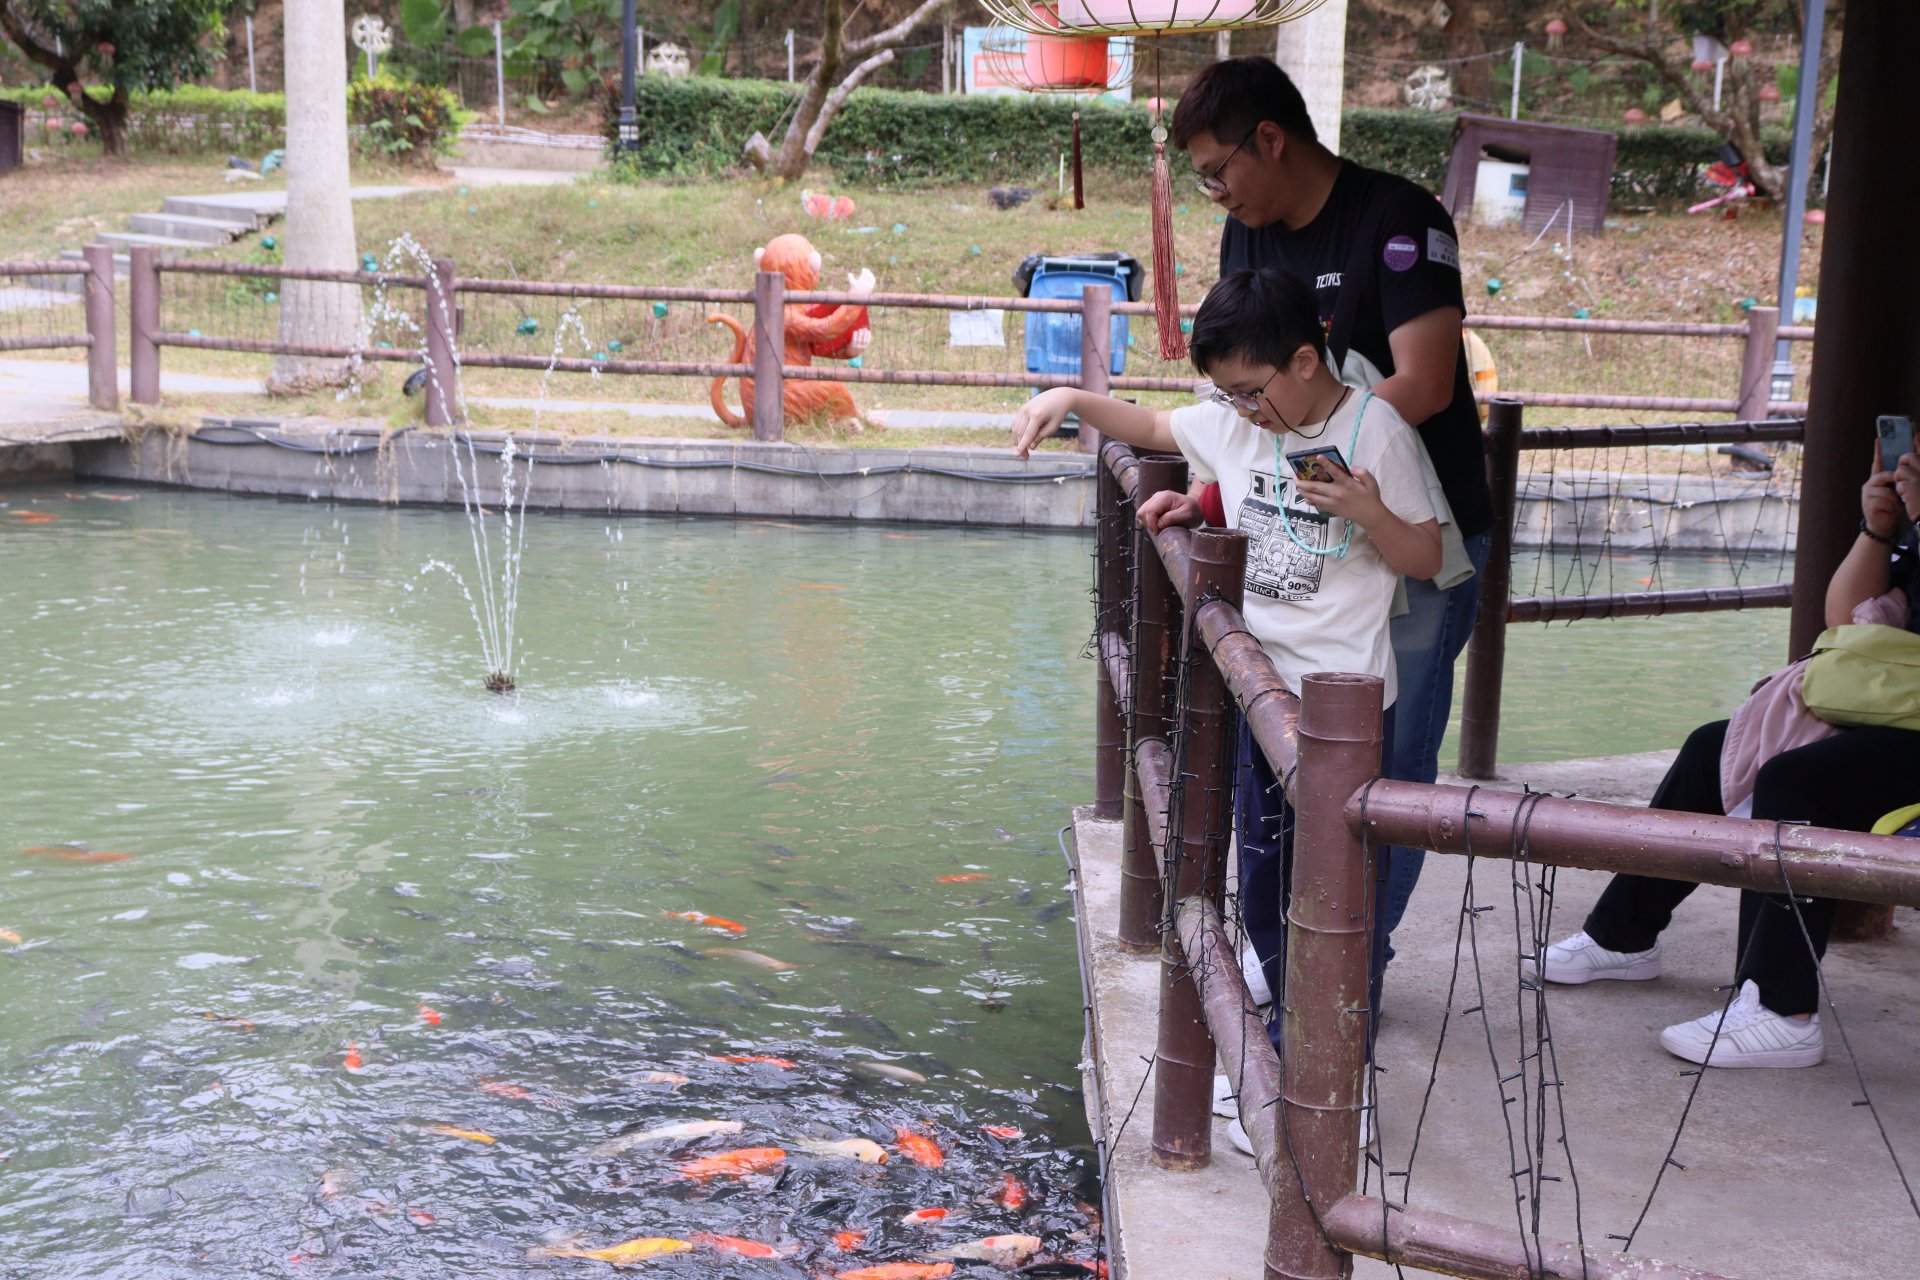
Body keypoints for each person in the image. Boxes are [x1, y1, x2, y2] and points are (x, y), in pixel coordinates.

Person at [1013, 267, 1440, 1150]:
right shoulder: (1239, 423)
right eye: (1228, 395)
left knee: (1337, 900)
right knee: (1266, 877)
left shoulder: (1376, 430)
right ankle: (1286, 1056)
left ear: (1304, 359)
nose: (1241, 410)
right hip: (1257, 692)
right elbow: (1153, 426)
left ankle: (1331, 1089)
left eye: (1251, 390)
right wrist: (1068, 398)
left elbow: (1427, 558)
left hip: (1342, 714)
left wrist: (1370, 512)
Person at [1170, 56, 1495, 967]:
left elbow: (1423, 384)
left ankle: (1350, 971)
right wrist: (1214, 486)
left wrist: (1310, 457)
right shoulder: (1248, 237)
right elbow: (1248, 394)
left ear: (1270, 140)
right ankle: (1299, 955)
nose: (1216, 194)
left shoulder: (1399, 220)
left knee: (1392, 758)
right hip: (1315, 535)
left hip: (1411, 532)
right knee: (1291, 747)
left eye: (1217, 172)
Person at [1526, 447, 1920, 1068]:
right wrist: (1879, 528)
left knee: (1798, 781)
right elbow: (1845, 621)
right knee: (1714, 746)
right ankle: (1623, 937)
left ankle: (1781, 1010)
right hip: (1899, 707)